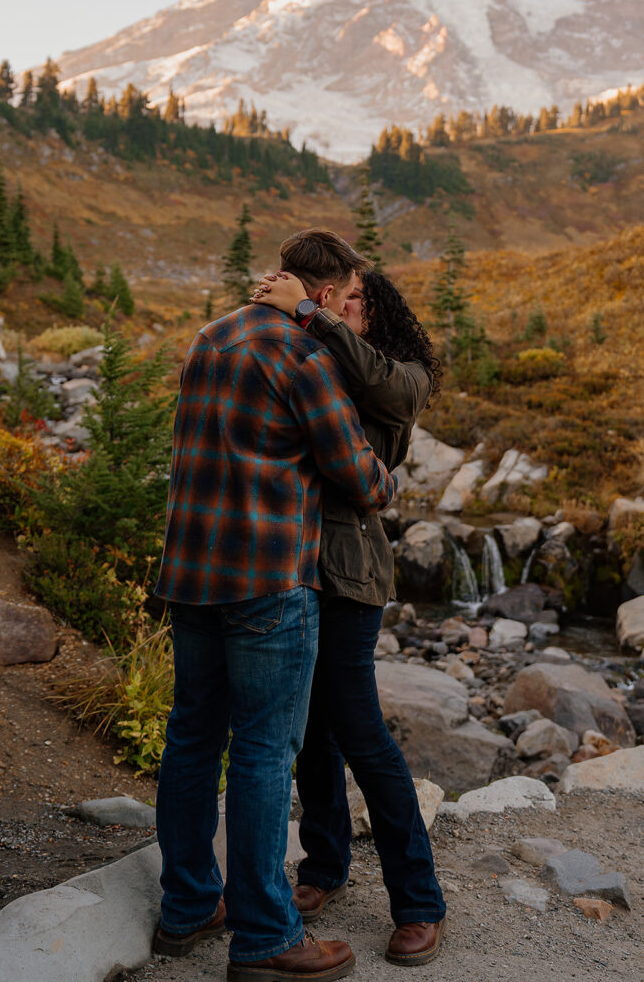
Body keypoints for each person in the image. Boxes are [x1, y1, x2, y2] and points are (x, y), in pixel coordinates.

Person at [153, 229, 397, 982]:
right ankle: (265, 939)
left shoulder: (210, 335)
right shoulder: (304, 355)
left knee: (192, 738)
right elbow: (359, 479)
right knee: (263, 751)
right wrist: (386, 477)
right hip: (268, 581)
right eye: (346, 295)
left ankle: (188, 906)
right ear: (322, 296)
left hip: (191, 573)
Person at [252, 262, 447, 967]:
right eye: (337, 296)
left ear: (380, 310)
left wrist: (310, 312)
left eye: (355, 299)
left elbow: (383, 391)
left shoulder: (403, 375)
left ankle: (419, 902)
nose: (341, 306)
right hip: (290, 567)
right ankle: (324, 867)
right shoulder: (319, 357)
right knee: (309, 731)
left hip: (351, 570)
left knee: (361, 732)